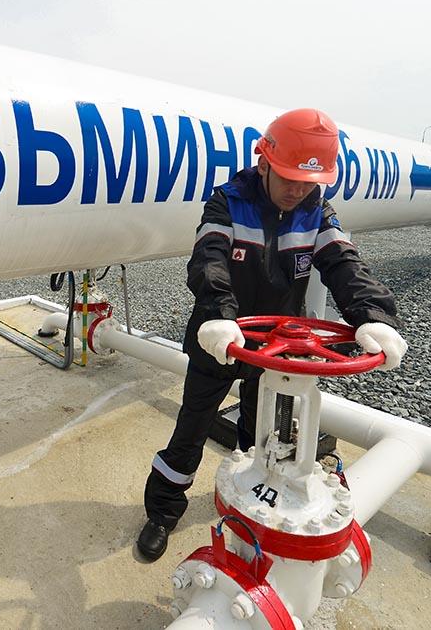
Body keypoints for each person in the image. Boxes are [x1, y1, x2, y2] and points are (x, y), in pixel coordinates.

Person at [136, 108, 408, 562]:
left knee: (264, 437)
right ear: (263, 162)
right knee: (191, 430)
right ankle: (162, 512)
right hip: (221, 339)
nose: (298, 190)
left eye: (308, 182)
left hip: (273, 348)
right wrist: (218, 315)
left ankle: (251, 513)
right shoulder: (228, 202)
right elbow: (209, 259)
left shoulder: (315, 210)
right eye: (289, 178)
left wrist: (373, 316)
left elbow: (343, 264)